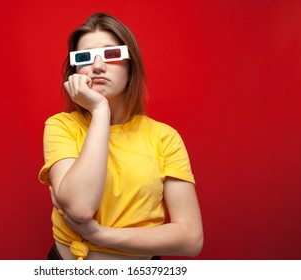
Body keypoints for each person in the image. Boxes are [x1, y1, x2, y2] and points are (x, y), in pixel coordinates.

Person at [38, 12, 203, 260]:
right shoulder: (61, 126)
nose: (97, 66)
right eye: (84, 58)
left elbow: (191, 239)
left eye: (112, 54)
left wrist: (100, 235)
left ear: (131, 66)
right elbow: (81, 207)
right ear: (75, 71)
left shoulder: (164, 137)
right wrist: (100, 110)